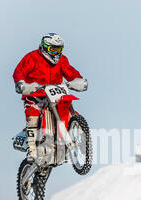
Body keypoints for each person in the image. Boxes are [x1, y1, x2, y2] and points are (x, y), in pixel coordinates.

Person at [13, 33, 88, 162]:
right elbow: (19, 71)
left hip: (56, 95)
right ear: (45, 47)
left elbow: (70, 72)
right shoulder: (32, 58)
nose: (56, 53)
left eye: (59, 49)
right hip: (35, 96)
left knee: (71, 112)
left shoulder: (62, 60)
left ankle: (69, 142)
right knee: (33, 115)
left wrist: (78, 80)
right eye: (53, 49)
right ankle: (31, 149)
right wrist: (21, 84)